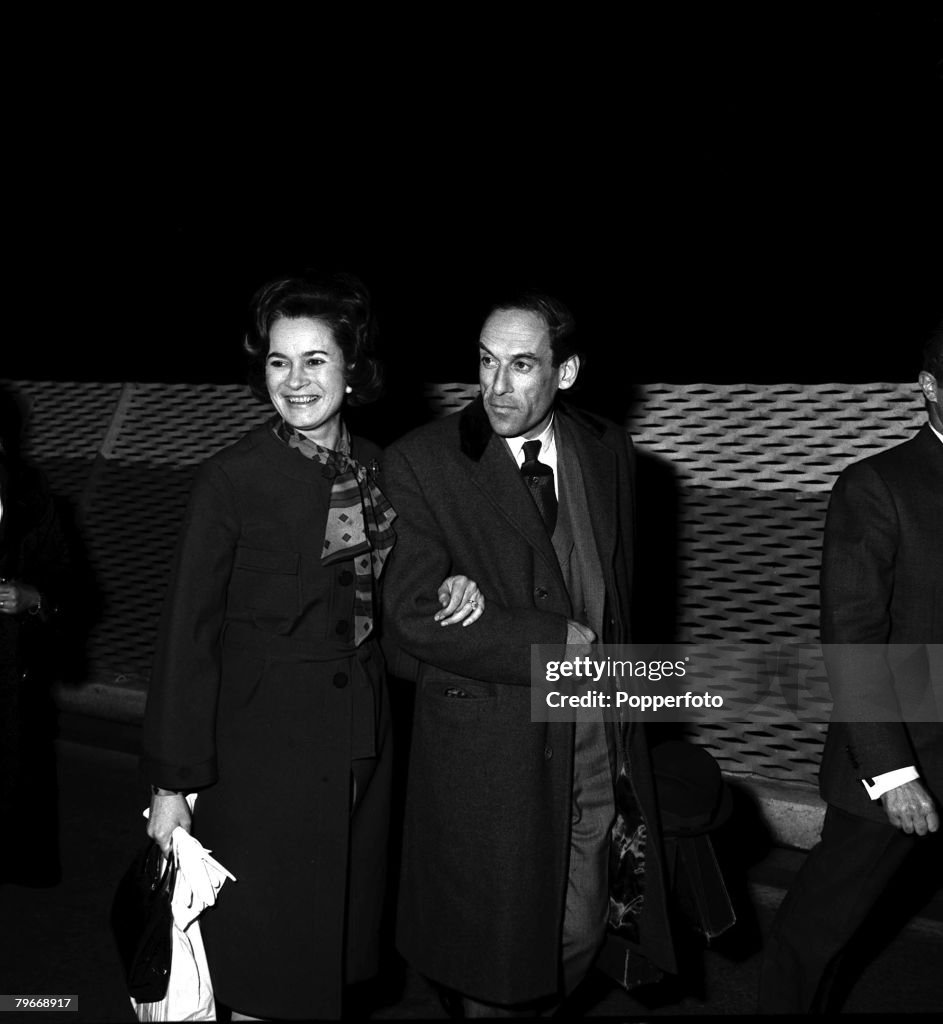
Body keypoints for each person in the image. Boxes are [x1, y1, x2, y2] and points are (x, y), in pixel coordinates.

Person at [141, 272, 484, 1021]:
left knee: (331, 953)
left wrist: (456, 585)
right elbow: (185, 638)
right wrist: (170, 786)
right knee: (264, 962)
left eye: (315, 360)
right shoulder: (230, 480)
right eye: (277, 361)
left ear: (353, 370)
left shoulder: (382, 470)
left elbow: (403, 591)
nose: (294, 381)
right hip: (257, 760)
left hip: (361, 746)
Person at [382, 293, 677, 1017]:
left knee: (581, 924)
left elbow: (622, 591)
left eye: (520, 365)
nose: (495, 386)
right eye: (485, 362)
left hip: (595, 729)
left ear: (565, 371)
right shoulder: (421, 461)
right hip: (489, 747)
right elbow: (410, 616)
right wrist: (548, 640)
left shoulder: (608, 450)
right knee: (497, 952)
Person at [758, 326, 943, 1013]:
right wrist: (892, 775)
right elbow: (852, 635)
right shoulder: (876, 484)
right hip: (905, 756)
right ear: (928, 388)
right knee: (815, 936)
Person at [0, 409, 73, 888]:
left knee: (13, 768)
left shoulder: (30, 495)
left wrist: (34, 598)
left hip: (8, 665)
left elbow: (71, 586)